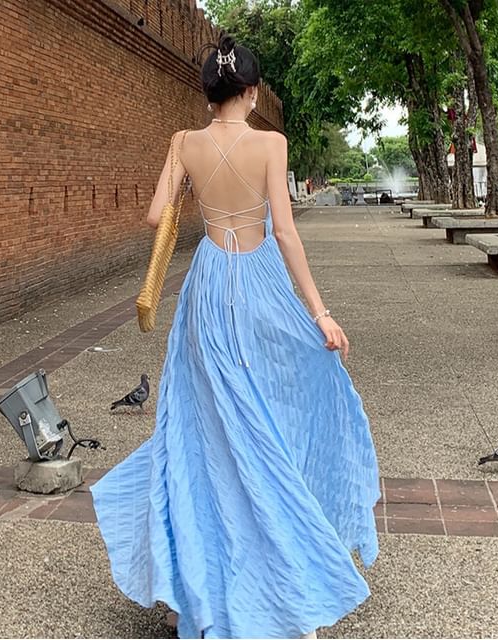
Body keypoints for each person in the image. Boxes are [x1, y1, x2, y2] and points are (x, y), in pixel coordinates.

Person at [90, 35, 380, 640]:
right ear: (250, 91)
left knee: (203, 428)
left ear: (208, 91)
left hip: (206, 286)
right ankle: (285, 580)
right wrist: (321, 313)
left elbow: (155, 216)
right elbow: (286, 233)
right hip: (259, 283)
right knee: (269, 413)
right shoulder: (271, 144)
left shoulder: (182, 143)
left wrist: (195, 188)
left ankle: (193, 584)